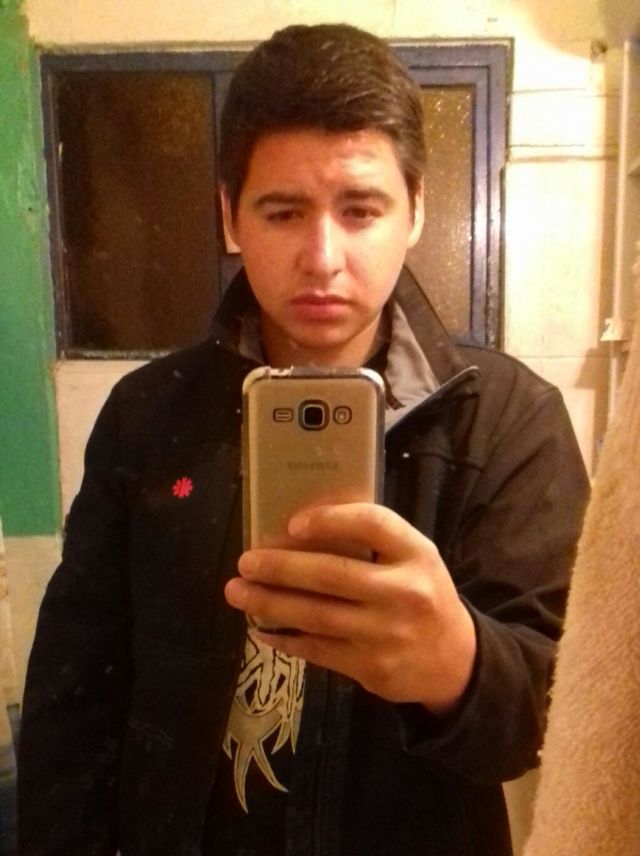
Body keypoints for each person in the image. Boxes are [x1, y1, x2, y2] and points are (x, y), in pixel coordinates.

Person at [17, 23, 589, 856]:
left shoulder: (507, 419)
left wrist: (460, 664)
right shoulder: (147, 415)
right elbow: (74, 693)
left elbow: (559, 719)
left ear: (416, 209)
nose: (322, 257)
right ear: (230, 215)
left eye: (361, 210)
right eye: (283, 212)